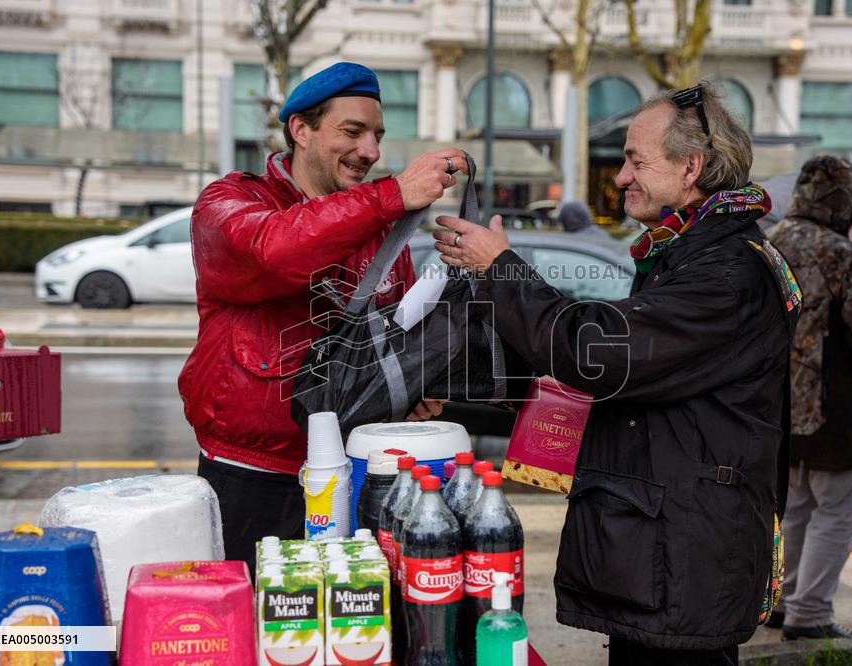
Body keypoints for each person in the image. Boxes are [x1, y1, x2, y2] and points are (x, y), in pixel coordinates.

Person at [434, 81, 801, 664]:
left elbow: (598, 353)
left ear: (691, 167)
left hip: (684, 564)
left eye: (635, 158)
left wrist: (500, 267)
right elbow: (622, 377)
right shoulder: (688, 251)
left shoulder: (726, 270)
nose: (621, 177)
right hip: (663, 555)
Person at [178, 62, 468, 573]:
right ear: (301, 130)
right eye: (352, 132)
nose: (371, 152)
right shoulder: (228, 202)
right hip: (254, 475)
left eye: (377, 136)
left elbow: (390, 338)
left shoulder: (379, 223)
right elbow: (277, 251)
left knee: (356, 629)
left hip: (357, 472)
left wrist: (411, 389)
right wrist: (393, 194)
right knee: (259, 634)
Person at [767, 155, 852, 640]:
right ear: (844, 201)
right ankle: (811, 613)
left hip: (777, 408)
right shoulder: (839, 253)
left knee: (798, 505)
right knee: (839, 509)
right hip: (835, 410)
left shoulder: (772, 243)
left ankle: (783, 601)